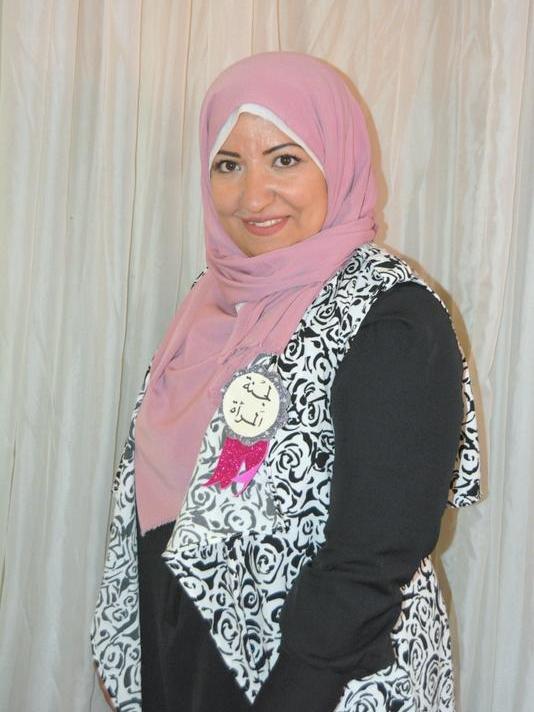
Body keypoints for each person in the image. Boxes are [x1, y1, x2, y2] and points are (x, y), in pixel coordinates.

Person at [91, 52, 480, 712]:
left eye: (285, 159)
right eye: (228, 165)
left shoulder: (392, 319)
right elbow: (178, 493)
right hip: (186, 656)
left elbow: (369, 563)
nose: (252, 196)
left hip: (318, 681)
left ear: (338, 160)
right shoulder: (209, 303)